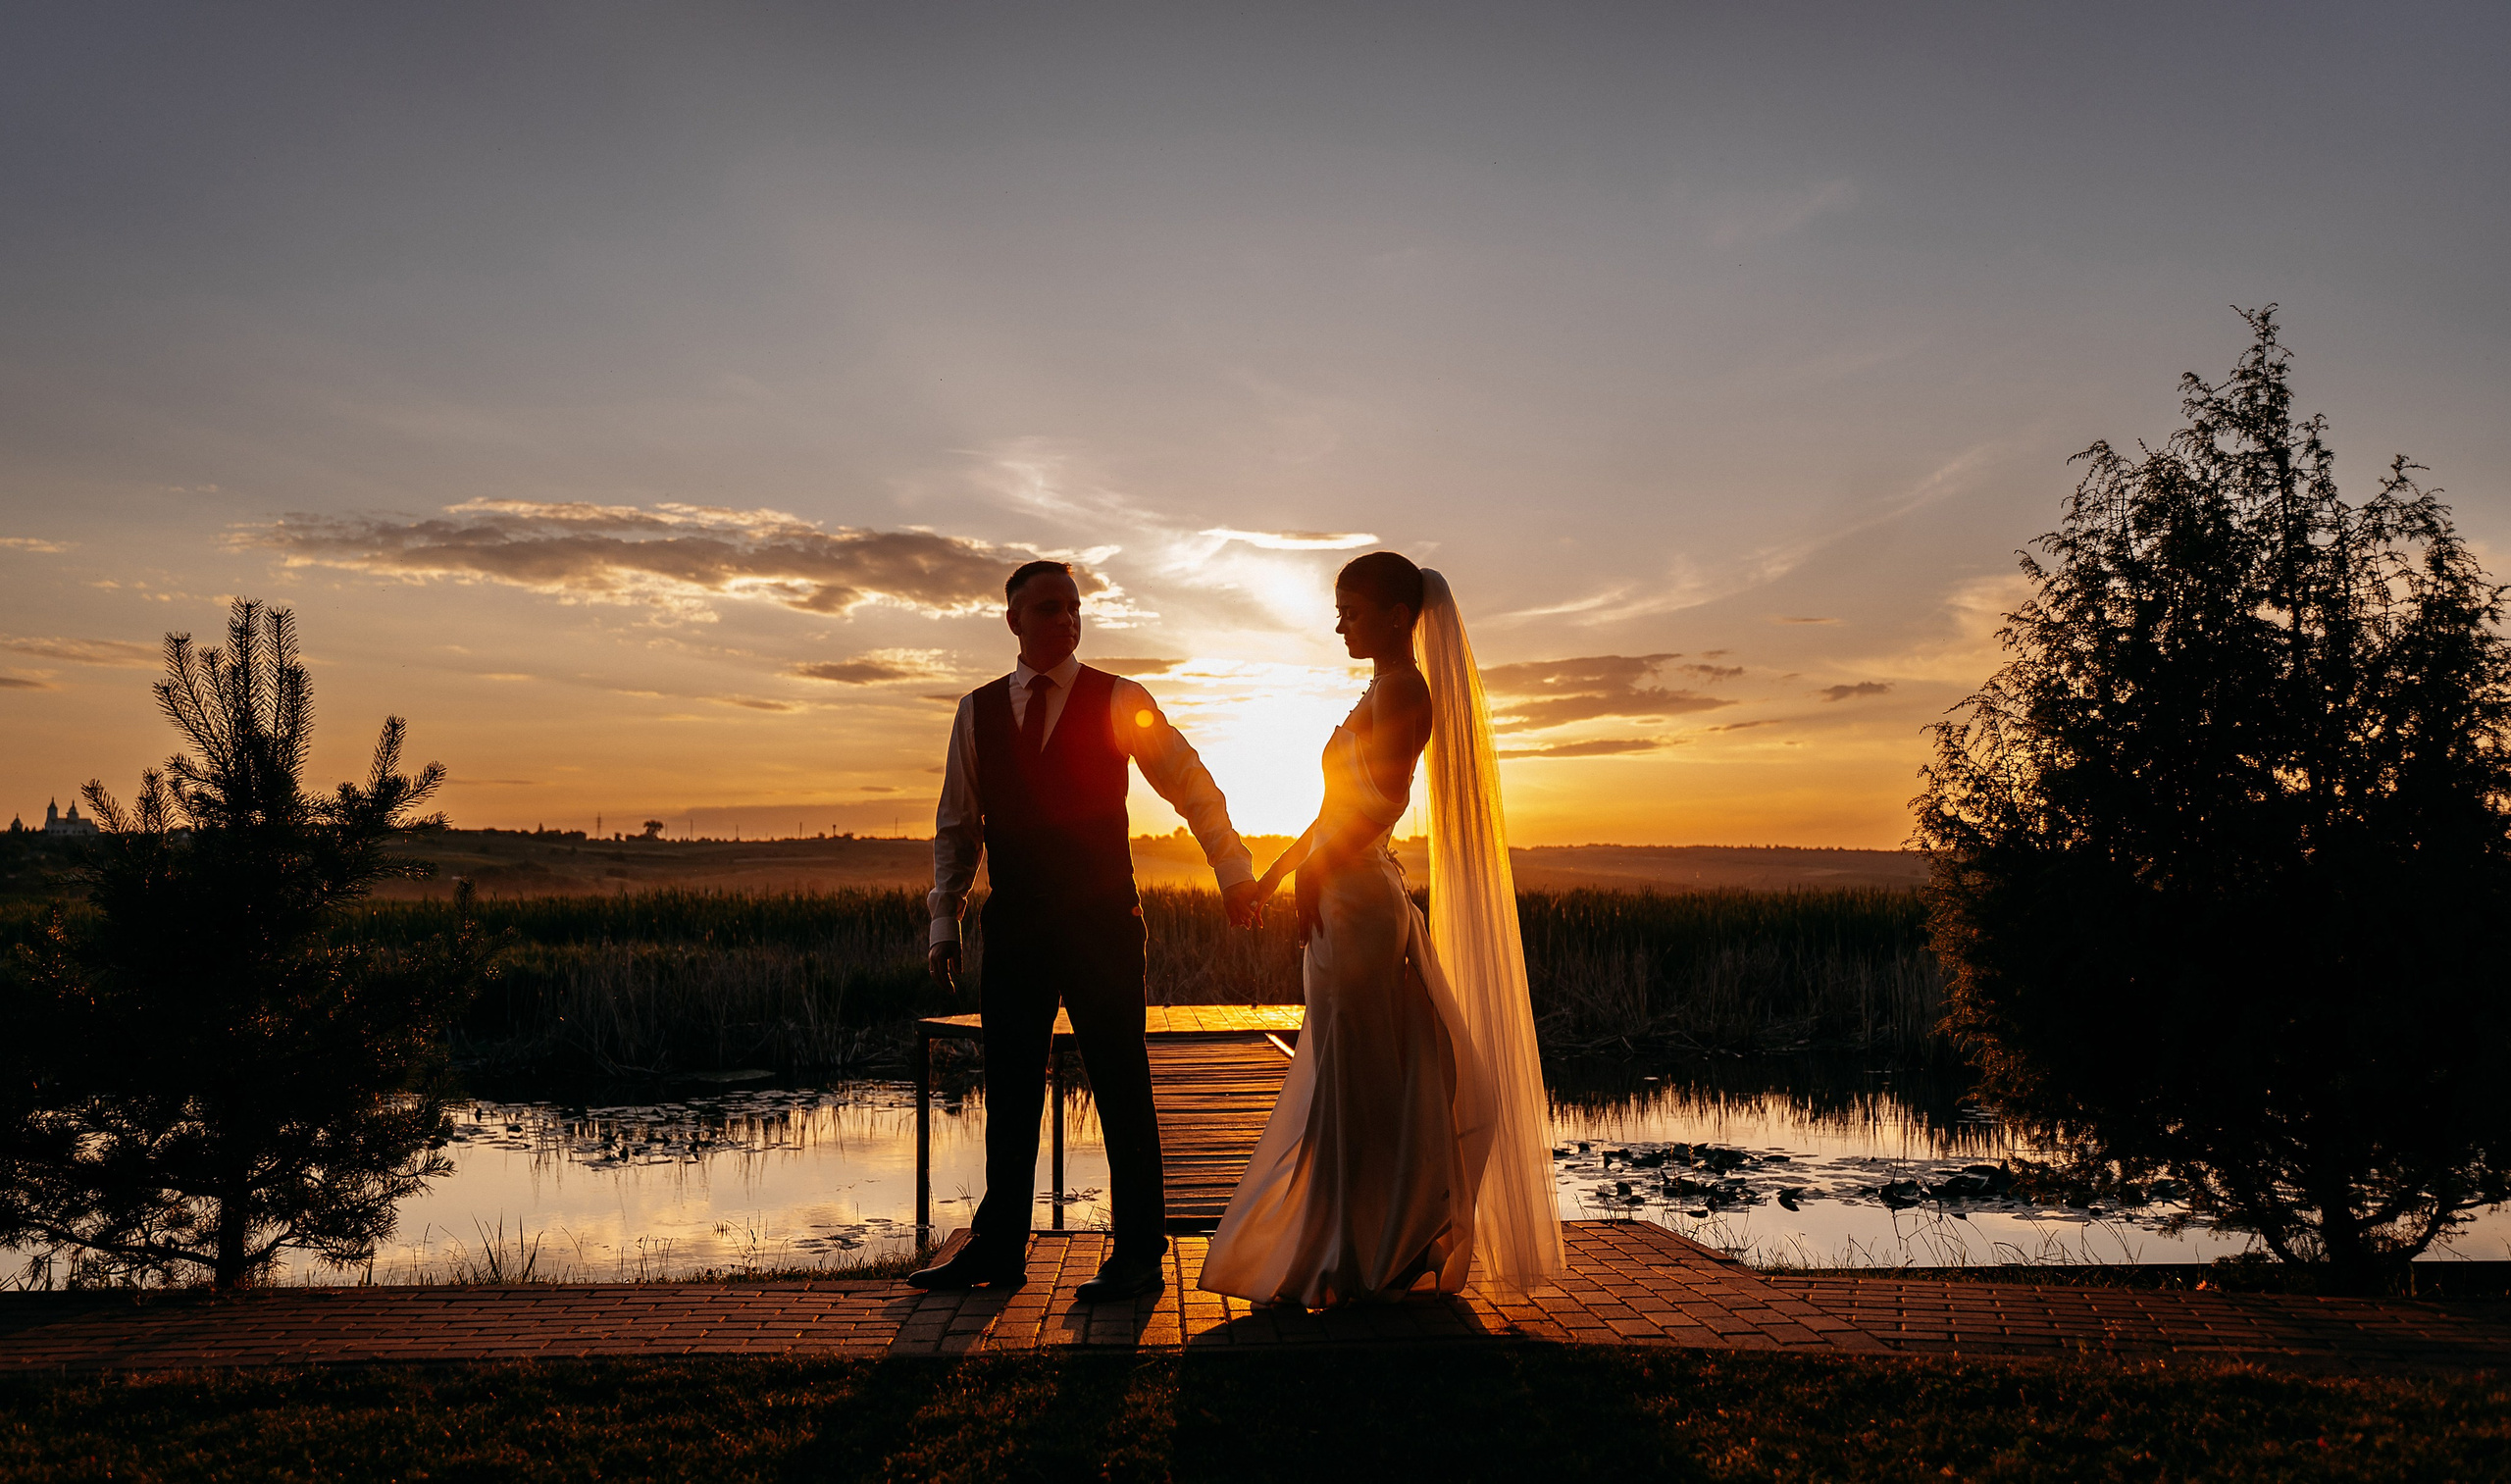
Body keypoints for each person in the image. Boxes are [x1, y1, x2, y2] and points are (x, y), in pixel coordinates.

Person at [1199, 552, 1563, 1307]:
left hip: (1362, 901)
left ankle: (1367, 1247)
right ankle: (1371, 1240)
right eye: (1339, 610)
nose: (1339, 623)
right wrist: (1275, 874)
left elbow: (1381, 802)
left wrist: (1318, 868)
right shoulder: (1379, 689)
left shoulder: (1404, 691)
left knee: (1358, 1077)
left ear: (1398, 617)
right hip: (1342, 891)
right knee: (1353, 1072)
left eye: (1352, 610)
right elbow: (1333, 806)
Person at [910, 559, 1264, 1302]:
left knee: (1120, 1082)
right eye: (1048, 608)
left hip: (1103, 923)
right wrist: (946, 918)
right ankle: (999, 1249)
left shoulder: (1119, 699)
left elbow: (1189, 780)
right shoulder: (976, 712)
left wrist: (1232, 871)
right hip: (1015, 929)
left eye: (1074, 607)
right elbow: (956, 825)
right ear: (1014, 619)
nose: (1066, 620)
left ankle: (1138, 1254)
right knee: (1009, 1089)